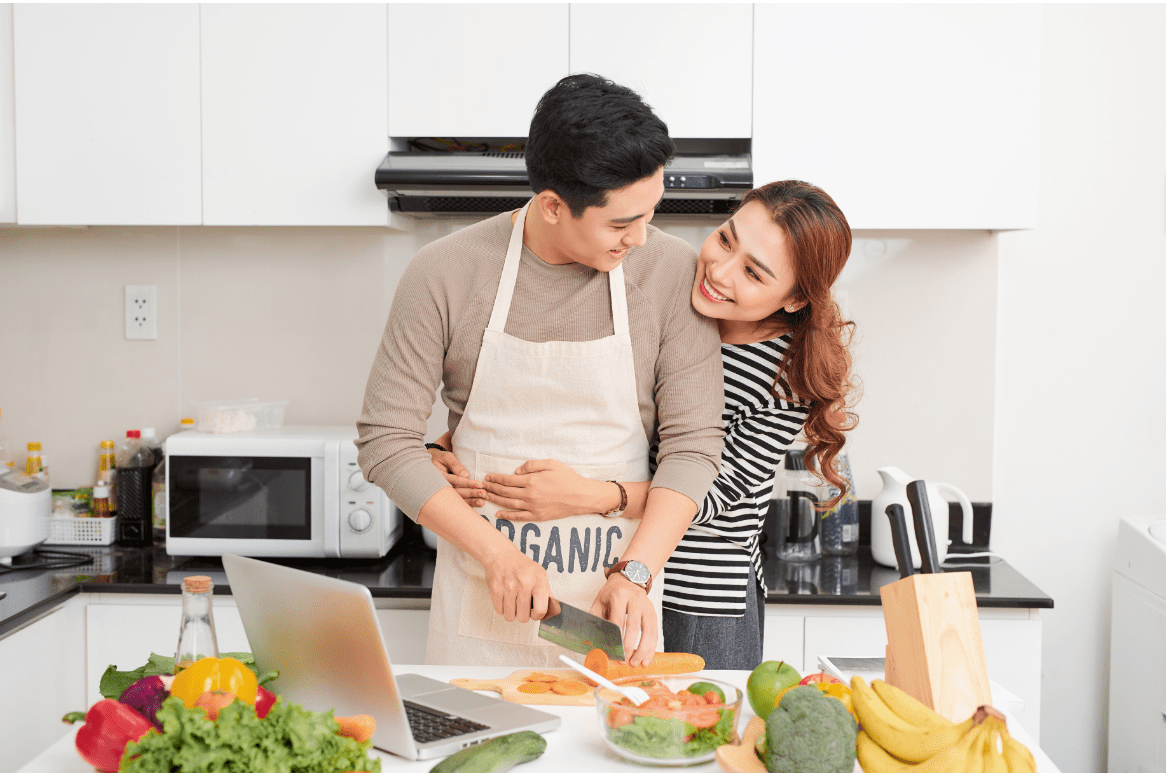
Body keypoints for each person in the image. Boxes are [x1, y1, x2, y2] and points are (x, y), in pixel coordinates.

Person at [357, 74, 725, 668]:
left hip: (617, 607)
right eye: (619, 223)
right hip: (481, 607)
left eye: (649, 214)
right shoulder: (444, 273)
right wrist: (496, 554)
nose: (640, 237)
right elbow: (385, 442)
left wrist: (637, 570)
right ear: (553, 206)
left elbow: (696, 445)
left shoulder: (668, 272)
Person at [429, 180, 858, 669]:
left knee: (688, 735)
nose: (719, 270)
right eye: (724, 239)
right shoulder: (666, 302)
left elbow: (710, 493)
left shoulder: (786, 378)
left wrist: (589, 495)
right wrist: (444, 447)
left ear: (796, 298)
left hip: (698, 601)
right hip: (602, 572)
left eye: (754, 274)